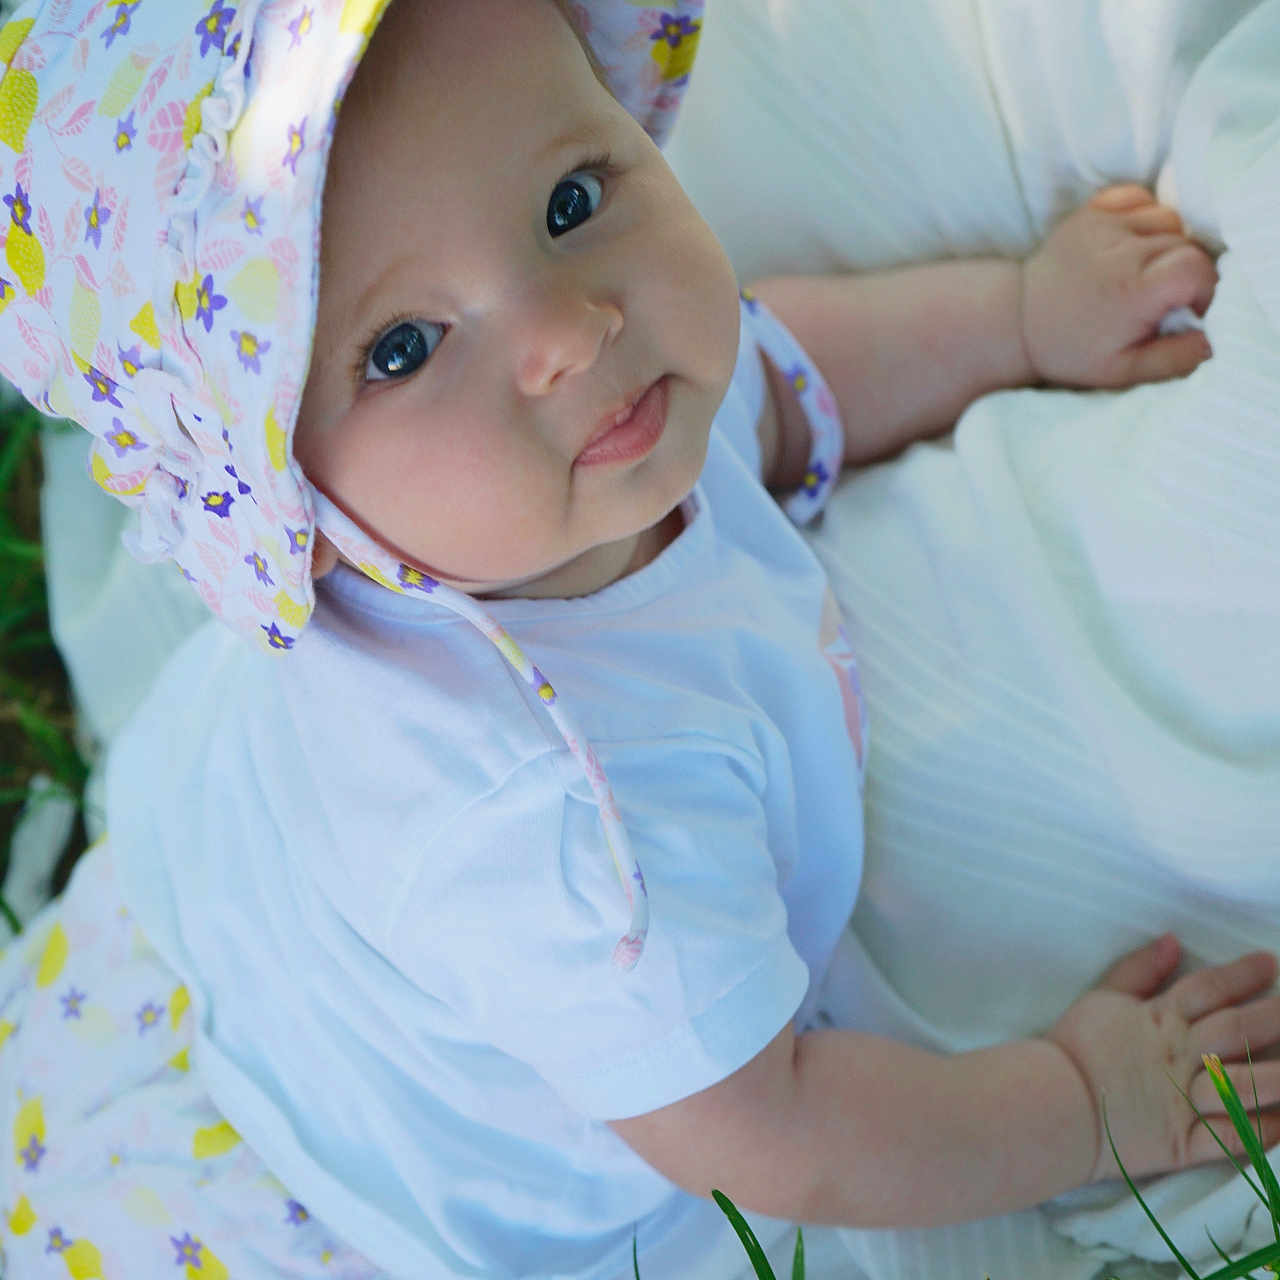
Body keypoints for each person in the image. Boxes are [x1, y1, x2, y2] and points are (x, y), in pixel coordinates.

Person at [0, 0, 1274, 1276]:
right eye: (403, 346)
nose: (570, 332)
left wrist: (1012, 317)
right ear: (296, 512)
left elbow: (773, 385)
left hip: (225, 919)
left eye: (568, 201)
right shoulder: (564, 832)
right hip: (326, 1194)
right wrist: (1082, 1104)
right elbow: (769, 1125)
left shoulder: (583, 430)